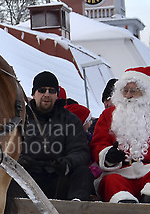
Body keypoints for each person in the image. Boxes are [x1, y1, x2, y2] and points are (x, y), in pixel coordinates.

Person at [91, 66, 150, 203]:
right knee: (110, 181)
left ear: (146, 93)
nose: (128, 95)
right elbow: (98, 144)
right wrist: (108, 156)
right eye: (125, 91)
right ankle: (125, 203)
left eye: (133, 91)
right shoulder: (108, 115)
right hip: (120, 173)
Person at [9, 71, 93, 200]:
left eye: (52, 91)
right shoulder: (19, 118)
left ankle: (76, 207)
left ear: (57, 95)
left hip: (58, 178)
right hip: (27, 179)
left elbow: (80, 150)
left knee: (83, 172)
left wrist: (66, 163)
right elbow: (7, 148)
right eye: (42, 90)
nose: (47, 94)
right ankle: (18, 207)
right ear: (34, 93)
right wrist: (21, 160)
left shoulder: (71, 120)